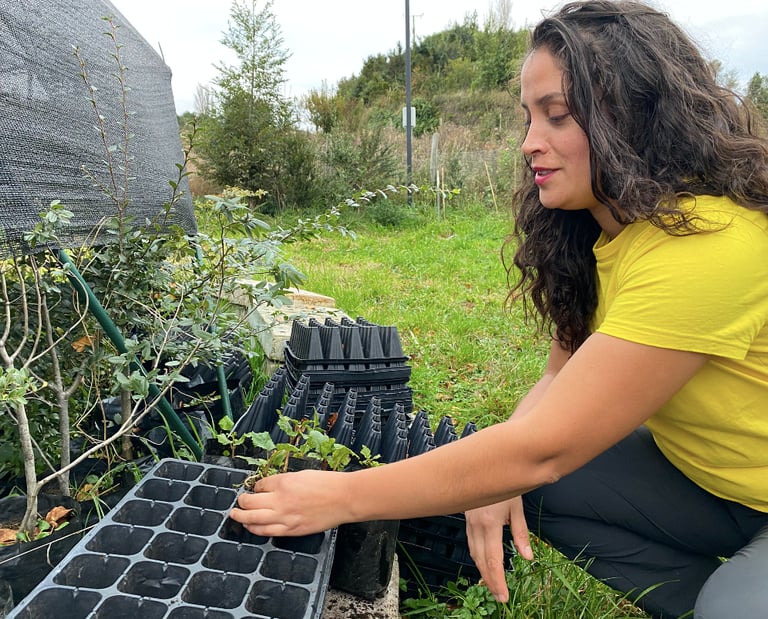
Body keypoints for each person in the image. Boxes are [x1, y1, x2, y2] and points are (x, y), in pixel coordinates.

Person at [229, 1, 768, 617]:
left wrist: (344, 496)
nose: (529, 143)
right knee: (523, 484)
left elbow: (544, 448)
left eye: (557, 116)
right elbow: (556, 377)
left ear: (638, 117)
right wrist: (498, 480)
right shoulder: (599, 234)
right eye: (528, 117)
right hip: (709, 484)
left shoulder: (708, 246)